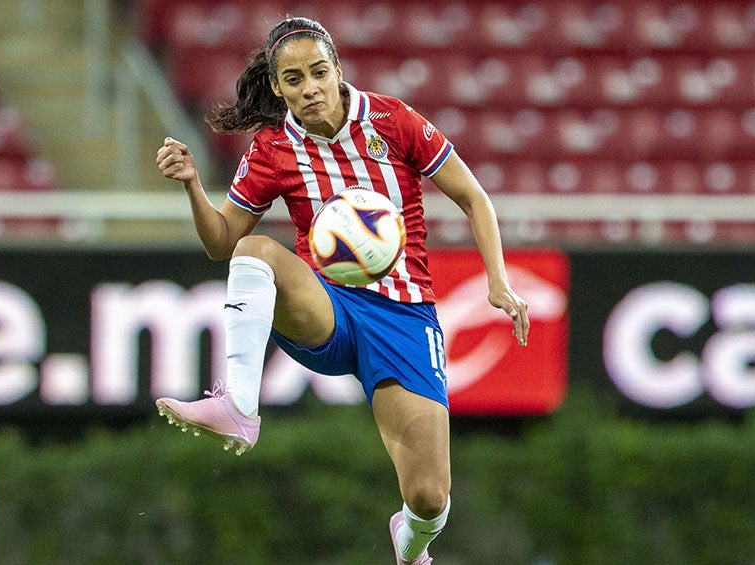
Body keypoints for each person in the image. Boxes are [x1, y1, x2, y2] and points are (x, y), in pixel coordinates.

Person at [154, 16, 529, 565]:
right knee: (252, 253)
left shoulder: (391, 119)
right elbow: (220, 242)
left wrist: (497, 280)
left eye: (318, 72)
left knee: (429, 496)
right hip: (329, 307)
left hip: (405, 316)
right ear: (278, 88)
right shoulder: (272, 148)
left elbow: (475, 197)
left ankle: (411, 544)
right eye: (294, 79)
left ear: (336, 70)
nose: (309, 88)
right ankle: (238, 405)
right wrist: (192, 184)